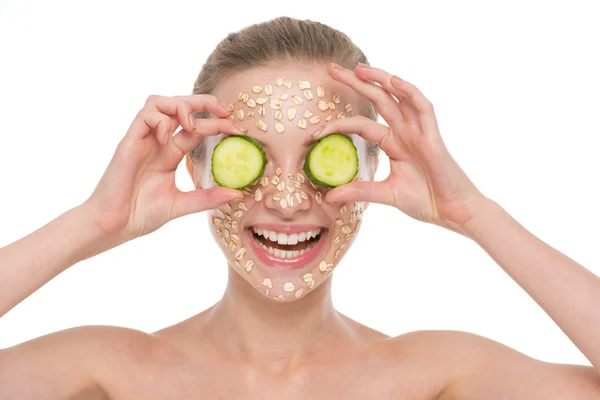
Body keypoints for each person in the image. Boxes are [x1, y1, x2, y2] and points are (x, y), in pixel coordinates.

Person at [1, 16, 599, 399]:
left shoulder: (434, 375)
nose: (287, 201)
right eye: (249, 157)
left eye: (325, 157)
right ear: (195, 165)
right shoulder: (111, 372)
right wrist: (93, 222)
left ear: (373, 167)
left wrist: (472, 212)